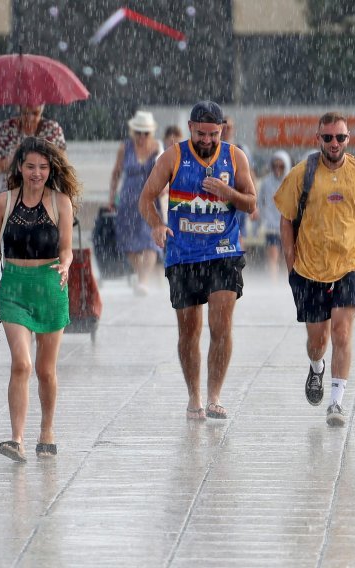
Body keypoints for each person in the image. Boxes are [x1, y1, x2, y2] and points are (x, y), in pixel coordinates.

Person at [273, 111, 355, 427]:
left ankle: (337, 403)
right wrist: (290, 260)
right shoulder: (303, 173)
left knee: (342, 331)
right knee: (318, 340)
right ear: (318, 139)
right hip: (310, 266)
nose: (334, 143)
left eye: (340, 137)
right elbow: (286, 218)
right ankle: (316, 367)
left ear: (348, 139)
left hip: (351, 262)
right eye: (327, 137)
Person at [138, 100, 256, 420]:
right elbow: (146, 198)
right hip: (183, 254)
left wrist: (227, 192)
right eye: (201, 133)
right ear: (190, 127)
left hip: (223, 252)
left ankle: (215, 395)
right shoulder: (173, 156)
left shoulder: (234, 157)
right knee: (189, 331)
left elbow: (251, 204)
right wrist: (157, 225)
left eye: (213, 134)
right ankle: (195, 396)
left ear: (222, 131)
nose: (206, 140)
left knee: (221, 326)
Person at [0, 137, 81, 462]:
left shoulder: (61, 202)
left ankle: (47, 431)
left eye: (42, 167)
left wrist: (65, 264)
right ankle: (17, 439)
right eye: (30, 167)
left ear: (50, 169)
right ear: (19, 168)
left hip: (51, 286)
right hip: (14, 288)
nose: (36, 173)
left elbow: (66, 248)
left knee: (45, 370)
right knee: (21, 364)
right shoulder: (3, 203)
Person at [0, 105, 66, 233]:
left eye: (35, 113)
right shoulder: (7, 128)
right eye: (25, 113)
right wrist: (13, 158)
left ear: (42, 108)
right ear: (19, 108)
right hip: (11, 194)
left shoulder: (52, 129)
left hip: (45, 194)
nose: (29, 118)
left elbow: (62, 163)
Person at [109, 110, 163, 295]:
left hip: (150, 199)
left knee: (150, 240)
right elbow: (116, 173)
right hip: (128, 200)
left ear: (151, 132)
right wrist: (111, 197)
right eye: (138, 132)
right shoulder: (125, 147)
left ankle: (144, 281)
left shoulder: (158, 148)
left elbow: (165, 173)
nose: (141, 136)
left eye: (145, 133)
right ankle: (141, 275)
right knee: (128, 242)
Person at [251, 150, 292, 281]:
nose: (277, 169)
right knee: (272, 257)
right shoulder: (267, 182)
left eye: (281, 166)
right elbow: (260, 204)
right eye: (275, 166)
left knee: (286, 258)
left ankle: (286, 284)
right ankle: (273, 283)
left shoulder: (291, 181)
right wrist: (257, 226)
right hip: (271, 226)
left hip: (288, 226)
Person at [222, 115, 256, 241]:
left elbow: (251, 176)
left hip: (238, 197)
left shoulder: (240, 150)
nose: (226, 129)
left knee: (239, 234)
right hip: (218, 200)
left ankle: (239, 259)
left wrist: (253, 203)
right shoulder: (212, 150)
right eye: (223, 126)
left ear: (233, 129)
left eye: (229, 127)